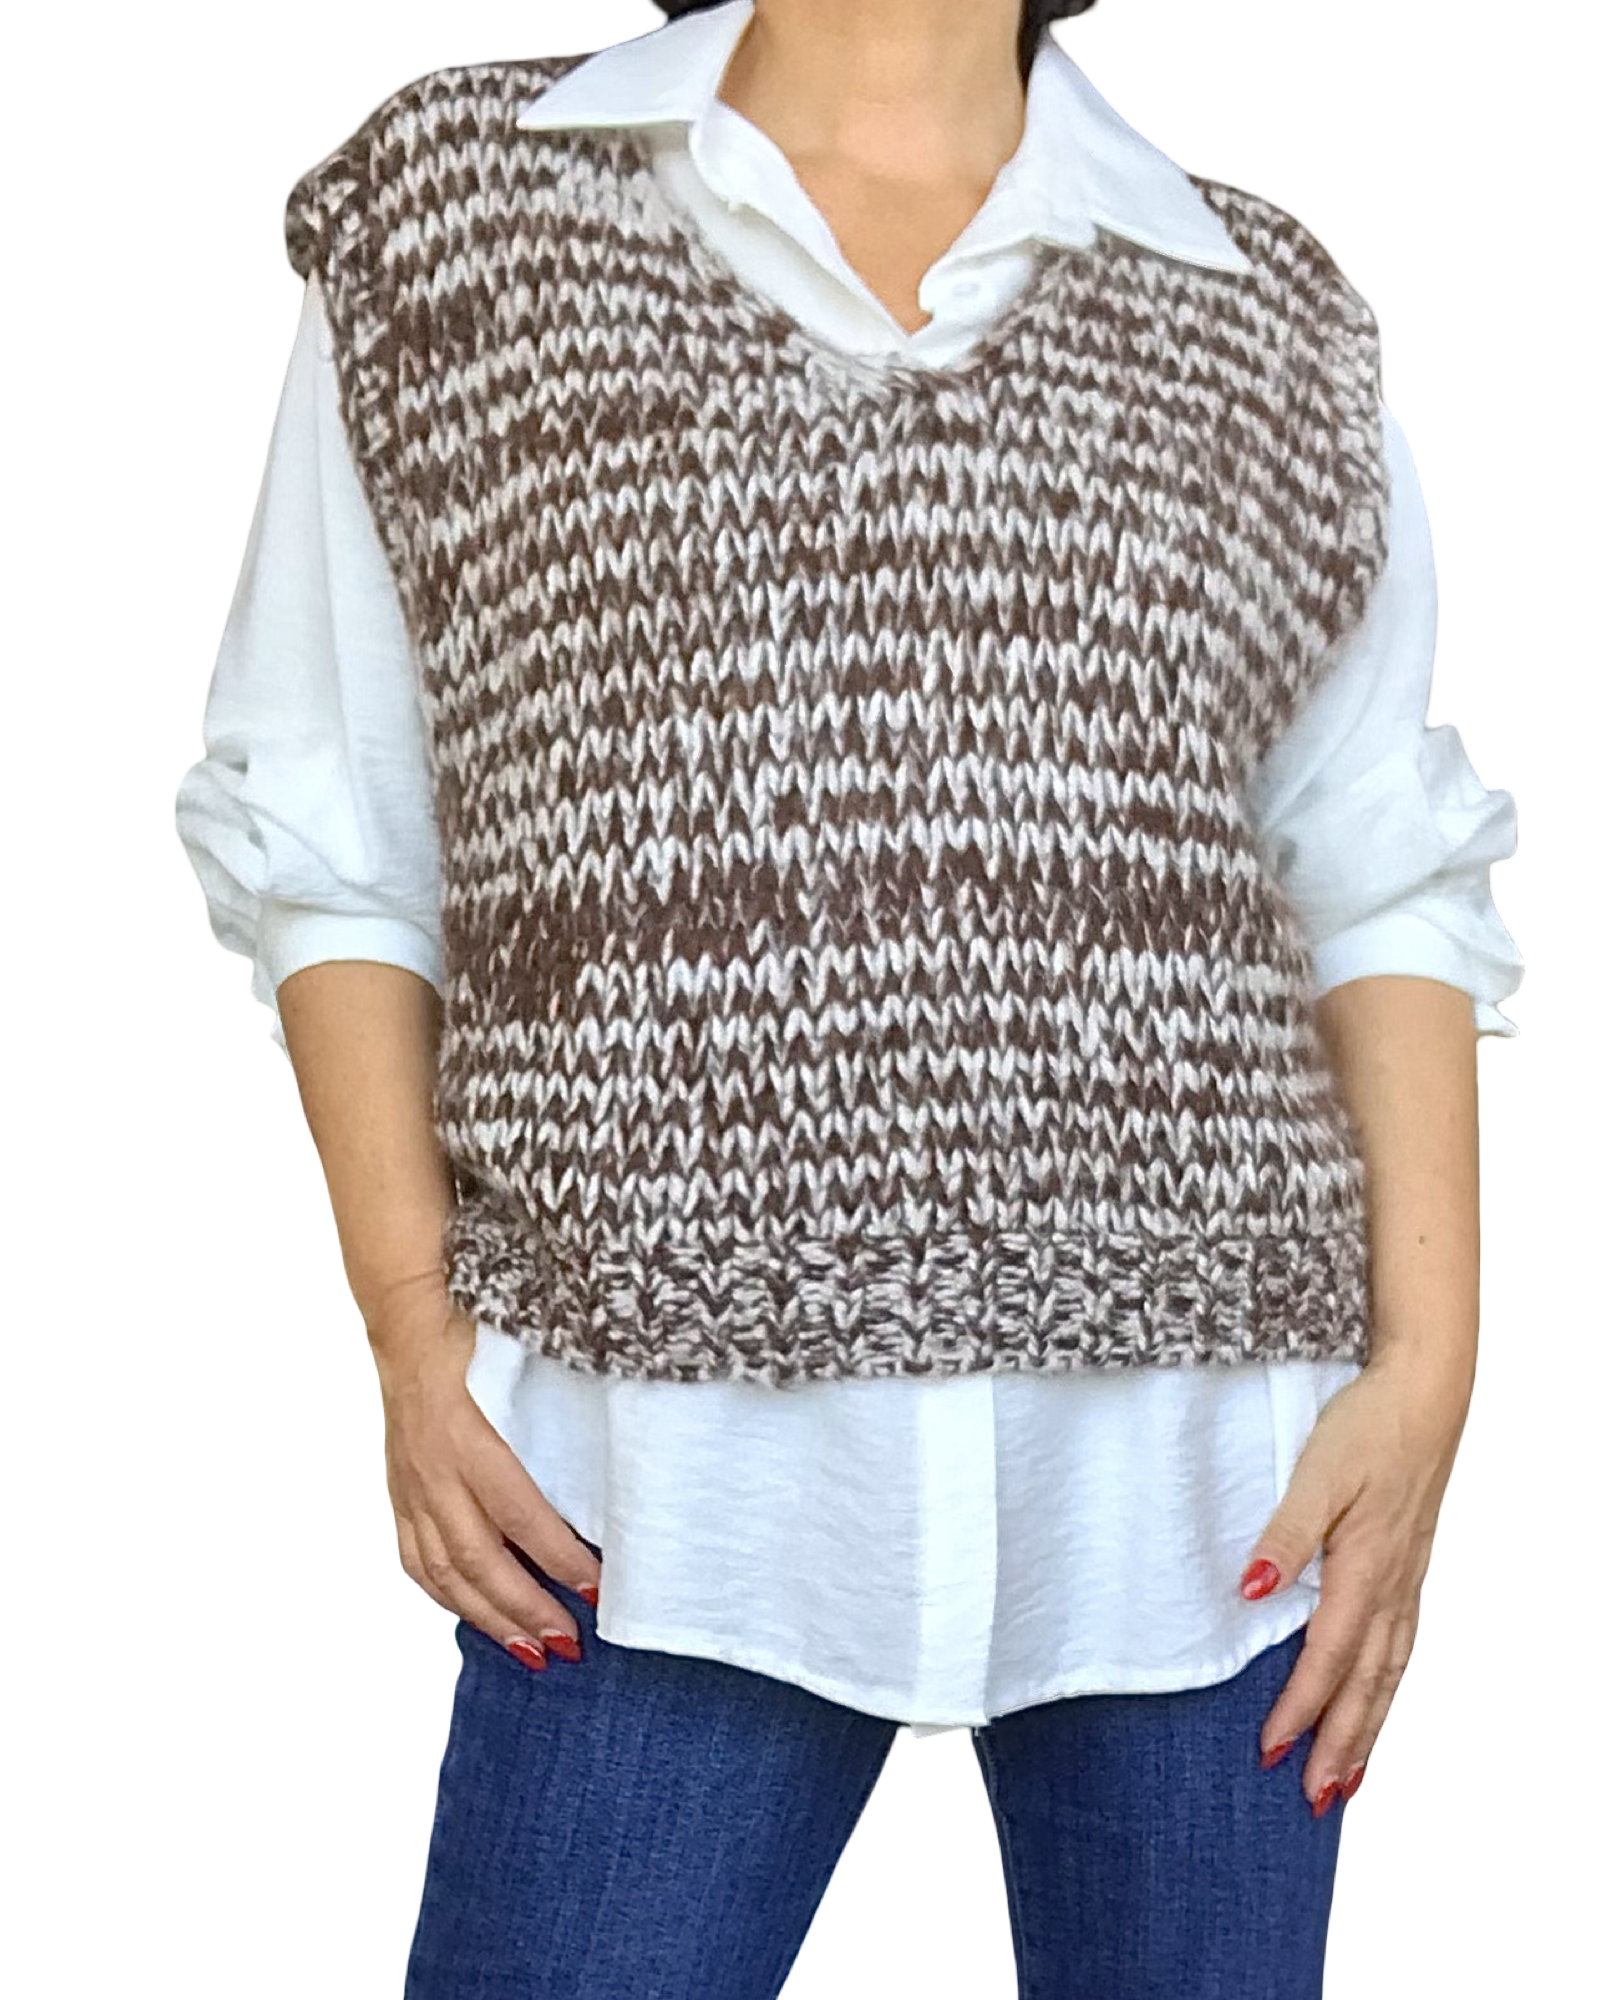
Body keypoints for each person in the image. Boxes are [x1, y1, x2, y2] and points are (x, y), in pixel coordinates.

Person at [173, 1, 1523, 1993]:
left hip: (1209, 1483)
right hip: (652, 1481)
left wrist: (1426, 1372)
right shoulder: (466, 210)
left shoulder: (1258, 309)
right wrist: (408, 1325)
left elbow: (1375, 863)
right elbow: (333, 818)